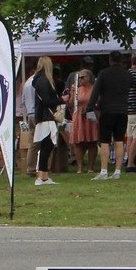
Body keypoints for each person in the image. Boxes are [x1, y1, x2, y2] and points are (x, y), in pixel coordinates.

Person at [91, 53, 133, 179]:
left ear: (110, 60)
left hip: (107, 110)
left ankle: (104, 171)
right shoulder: (127, 75)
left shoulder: (104, 74)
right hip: (122, 110)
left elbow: (95, 92)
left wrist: (90, 106)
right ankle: (118, 171)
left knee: (105, 141)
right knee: (119, 140)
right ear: (121, 60)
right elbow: (132, 87)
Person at [28, 57, 61, 186]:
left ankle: (44, 175)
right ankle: (41, 175)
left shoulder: (39, 81)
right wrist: (61, 100)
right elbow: (47, 101)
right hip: (46, 117)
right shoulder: (44, 81)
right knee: (47, 146)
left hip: (43, 116)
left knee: (46, 146)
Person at [67, 68, 97, 172]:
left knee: (92, 141)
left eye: (82, 77)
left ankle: (90, 167)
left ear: (89, 78)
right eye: (79, 77)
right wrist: (71, 93)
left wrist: (90, 108)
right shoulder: (77, 90)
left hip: (90, 116)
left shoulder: (94, 89)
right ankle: (79, 167)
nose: (80, 79)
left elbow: (98, 102)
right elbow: (70, 104)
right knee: (78, 143)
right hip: (79, 117)